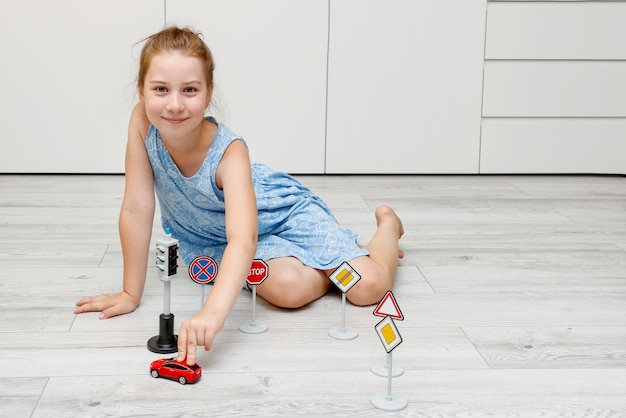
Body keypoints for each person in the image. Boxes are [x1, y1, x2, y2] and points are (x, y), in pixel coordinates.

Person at [74, 26, 404, 366]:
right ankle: (327, 262)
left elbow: (243, 239)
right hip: (213, 239)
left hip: (277, 214)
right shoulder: (142, 122)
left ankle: (387, 227)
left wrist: (212, 313)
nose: (174, 104)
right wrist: (131, 292)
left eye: (189, 90)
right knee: (289, 291)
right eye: (160, 89)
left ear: (208, 91)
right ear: (141, 91)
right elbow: (136, 208)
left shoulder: (229, 151)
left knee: (368, 288)